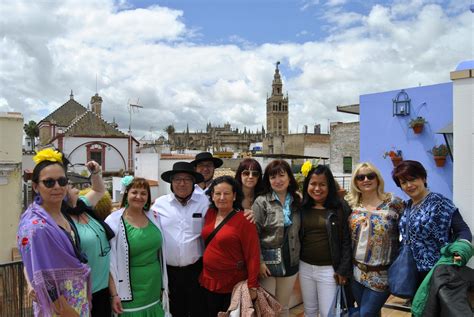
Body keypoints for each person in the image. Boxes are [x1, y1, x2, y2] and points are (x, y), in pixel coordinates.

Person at [17, 148, 91, 316]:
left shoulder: (59, 214)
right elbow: (46, 284)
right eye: (49, 182)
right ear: (36, 186)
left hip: (77, 298)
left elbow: (31, 262)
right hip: (60, 308)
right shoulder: (36, 227)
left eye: (62, 181)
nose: (57, 186)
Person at [391, 160, 472, 285]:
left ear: (423, 178)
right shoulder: (406, 207)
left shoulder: (439, 202)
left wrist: (458, 254)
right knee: (418, 304)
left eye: (412, 179)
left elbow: (463, 230)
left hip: (438, 270)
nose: (409, 185)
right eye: (404, 182)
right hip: (412, 271)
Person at [151, 162, 209, 317]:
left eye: (187, 179)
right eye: (177, 179)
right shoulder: (159, 205)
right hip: (169, 273)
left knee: (198, 310)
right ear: (171, 182)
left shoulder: (205, 202)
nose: (182, 183)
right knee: (175, 311)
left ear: (193, 182)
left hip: (196, 270)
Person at [106, 177, 170, 317]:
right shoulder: (113, 221)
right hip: (128, 288)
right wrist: (114, 294)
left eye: (143, 193)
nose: (139, 197)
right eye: (134, 192)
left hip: (153, 285)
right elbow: (109, 263)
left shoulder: (154, 217)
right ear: (127, 194)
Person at [346, 162, 403, 317]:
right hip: (356, 272)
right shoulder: (350, 205)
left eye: (370, 175)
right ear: (355, 182)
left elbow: (407, 231)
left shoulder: (393, 203)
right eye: (360, 177)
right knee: (372, 313)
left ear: (378, 179)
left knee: (365, 314)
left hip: (382, 274)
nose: (366, 179)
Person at [199, 176, 260, 316]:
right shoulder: (210, 214)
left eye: (226, 193)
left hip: (232, 283)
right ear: (212, 196)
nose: (222, 197)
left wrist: (252, 285)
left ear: (234, 196)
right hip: (208, 279)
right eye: (217, 193)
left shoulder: (245, 220)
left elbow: (253, 255)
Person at [298, 163, 352, 317]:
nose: (317, 188)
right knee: (310, 311)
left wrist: (343, 270)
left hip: (329, 270)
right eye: (313, 184)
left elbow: (347, 241)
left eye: (322, 184)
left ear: (330, 187)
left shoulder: (340, 207)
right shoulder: (302, 207)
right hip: (305, 267)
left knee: (328, 312)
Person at [62, 160, 114, 317]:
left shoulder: (83, 206)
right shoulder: (62, 220)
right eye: (71, 187)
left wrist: (96, 172)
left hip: (104, 288)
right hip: (83, 293)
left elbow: (98, 190)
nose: (77, 188)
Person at [252, 159, 301, 317]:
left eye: (281, 175)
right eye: (273, 177)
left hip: (291, 261)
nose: (278, 181)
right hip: (267, 264)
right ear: (268, 180)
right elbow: (254, 235)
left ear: (289, 178)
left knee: (283, 307)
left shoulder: (297, 201)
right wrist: (259, 262)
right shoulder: (261, 202)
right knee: (266, 308)